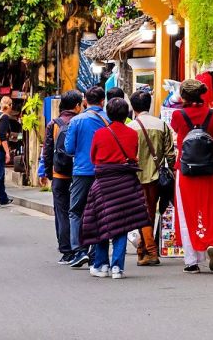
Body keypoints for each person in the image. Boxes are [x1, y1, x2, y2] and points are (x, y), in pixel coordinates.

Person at [81, 98, 149, 279]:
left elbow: (93, 158)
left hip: (104, 183)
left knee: (101, 223)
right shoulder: (132, 133)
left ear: (108, 113)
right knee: (122, 224)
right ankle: (117, 267)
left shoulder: (100, 133)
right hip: (126, 182)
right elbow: (134, 155)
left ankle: (101, 265)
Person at [171, 78, 213, 273]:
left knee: (187, 214)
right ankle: (211, 243)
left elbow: (176, 129)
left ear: (184, 96)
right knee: (209, 210)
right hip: (209, 171)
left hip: (186, 171)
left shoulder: (178, 115)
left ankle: (191, 261)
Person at [129, 89, 175, 266]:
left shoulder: (131, 127)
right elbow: (170, 154)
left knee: (141, 214)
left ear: (133, 107)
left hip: (136, 177)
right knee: (150, 213)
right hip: (157, 177)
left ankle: (149, 250)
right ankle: (144, 249)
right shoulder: (162, 125)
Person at [64, 86, 108, 268]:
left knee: (76, 211)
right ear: (102, 101)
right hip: (104, 171)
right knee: (100, 212)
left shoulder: (76, 121)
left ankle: (79, 250)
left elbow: (69, 149)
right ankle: (97, 251)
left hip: (82, 171)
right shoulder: (108, 119)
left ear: (84, 102)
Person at [42, 90, 82, 263]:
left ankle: (66, 250)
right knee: (79, 210)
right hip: (79, 173)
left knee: (62, 212)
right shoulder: (80, 121)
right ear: (77, 106)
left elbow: (47, 151)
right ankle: (80, 247)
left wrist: (49, 173)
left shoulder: (53, 124)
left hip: (59, 173)